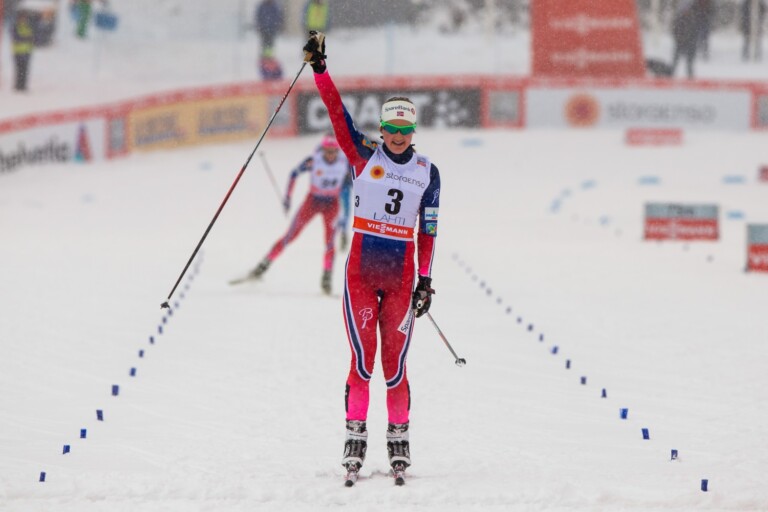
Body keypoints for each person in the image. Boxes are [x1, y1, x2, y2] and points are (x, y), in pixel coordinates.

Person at [302, 32, 442, 484]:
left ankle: (399, 439)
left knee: (394, 367)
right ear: (382, 129)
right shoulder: (361, 154)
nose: (399, 137)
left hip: (401, 281)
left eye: (406, 130)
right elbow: (336, 112)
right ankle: (355, 437)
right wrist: (321, 70)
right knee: (363, 363)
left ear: (413, 132)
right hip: (361, 276)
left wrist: (425, 280)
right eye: (392, 129)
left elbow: (428, 231)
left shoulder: (428, 173)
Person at [236, 134, 351, 294]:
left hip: (332, 204)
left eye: (333, 151)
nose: (330, 155)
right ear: (323, 150)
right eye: (327, 151)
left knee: (330, 242)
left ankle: (326, 280)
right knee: (290, 236)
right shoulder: (314, 160)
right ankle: (262, 267)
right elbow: (294, 174)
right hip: (313, 202)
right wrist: (288, 198)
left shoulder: (345, 163)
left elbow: (356, 181)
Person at [671, 0, 699, 79]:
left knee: (689, 63)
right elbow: (675, 30)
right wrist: (679, 39)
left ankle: (690, 78)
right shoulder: (680, 18)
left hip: (690, 42)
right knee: (676, 61)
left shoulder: (693, 18)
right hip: (680, 41)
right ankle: (671, 75)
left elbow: (695, 31)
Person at [12, 9, 34, 92]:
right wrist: (26, 38)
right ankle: (18, 85)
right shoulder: (16, 26)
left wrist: (26, 39)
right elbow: (16, 38)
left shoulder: (28, 26)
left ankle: (23, 85)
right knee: (19, 69)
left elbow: (32, 37)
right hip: (18, 51)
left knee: (25, 69)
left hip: (27, 51)